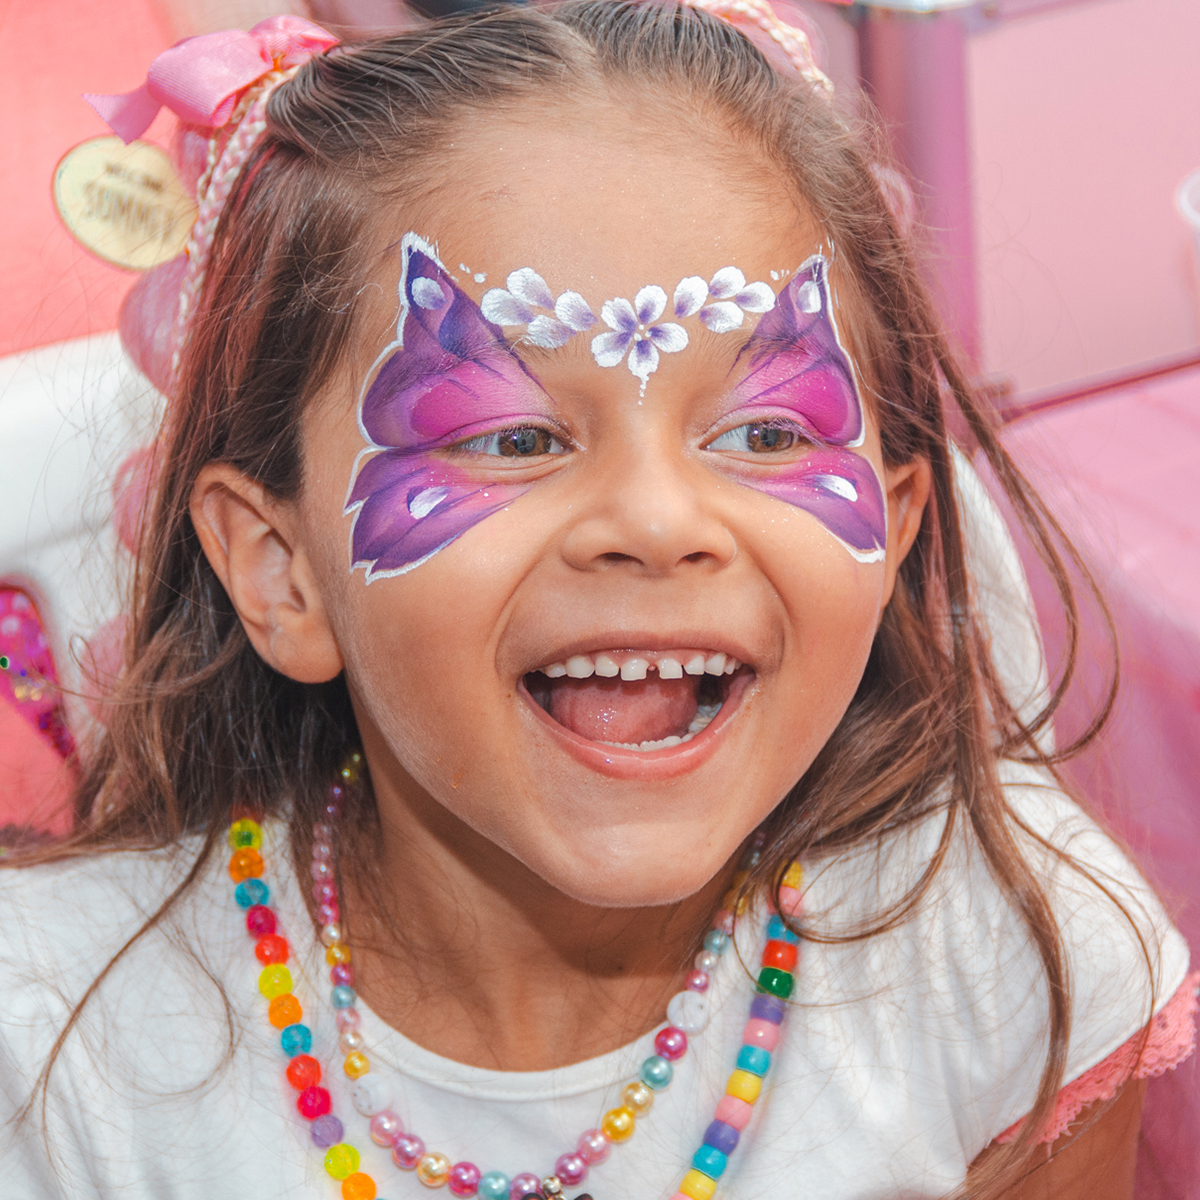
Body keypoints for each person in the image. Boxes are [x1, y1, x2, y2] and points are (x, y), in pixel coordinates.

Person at [0, 5, 1193, 1199]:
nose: (658, 523)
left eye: (764, 433)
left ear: (893, 534)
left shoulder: (1012, 957)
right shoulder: (56, 1047)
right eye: (513, 439)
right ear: (282, 569)